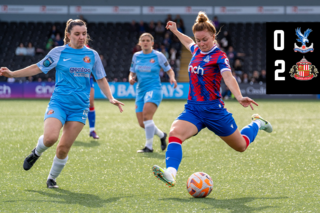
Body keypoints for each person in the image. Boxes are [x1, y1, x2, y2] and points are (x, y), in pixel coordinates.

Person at [152, 12, 273, 187]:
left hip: (214, 111)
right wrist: (176, 31)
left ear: (213, 36)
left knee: (241, 146)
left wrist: (238, 96)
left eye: (205, 40)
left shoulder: (219, 56)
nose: (201, 43)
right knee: (175, 133)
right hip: (193, 109)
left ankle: (257, 123)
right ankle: (170, 174)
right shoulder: (196, 50)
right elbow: (188, 42)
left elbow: (228, 77)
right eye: (198, 40)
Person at [0, 19, 124, 189]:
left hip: (79, 108)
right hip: (59, 103)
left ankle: (51, 179)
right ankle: (36, 152)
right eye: (77, 34)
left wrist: (110, 97)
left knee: (63, 149)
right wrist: (13, 74)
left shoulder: (92, 55)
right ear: (68, 35)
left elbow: (101, 78)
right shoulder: (58, 52)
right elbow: (37, 68)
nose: (81, 37)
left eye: (84, 34)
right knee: (51, 138)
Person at [129, 33, 177, 153]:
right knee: (142, 123)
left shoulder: (158, 55)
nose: (145, 42)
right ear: (139, 43)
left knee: (147, 116)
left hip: (154, 89)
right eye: (143, 40)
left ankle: (149, 146)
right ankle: (161, 135)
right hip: (140, 91)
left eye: (147, 40)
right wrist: (131, 78)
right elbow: (132, 72)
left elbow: (169, 70)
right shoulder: (136, 56)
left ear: (152, 43)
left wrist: (172, 78)